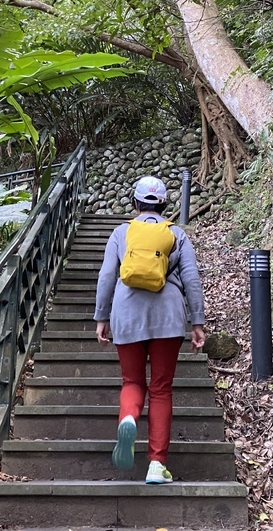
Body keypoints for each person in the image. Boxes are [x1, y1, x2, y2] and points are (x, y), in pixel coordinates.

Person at [94, 175, 206, 485]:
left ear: (135, 203)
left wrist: (101, 317)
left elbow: (106, 277)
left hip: (127, 313)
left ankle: (128, 418)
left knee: (132, 381)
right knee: (160, 389)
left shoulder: (122, 232)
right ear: (165, 204)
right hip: (168, 316)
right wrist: (197, 322)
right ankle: (157, 465)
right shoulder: (176, 234)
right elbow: (192, 280)